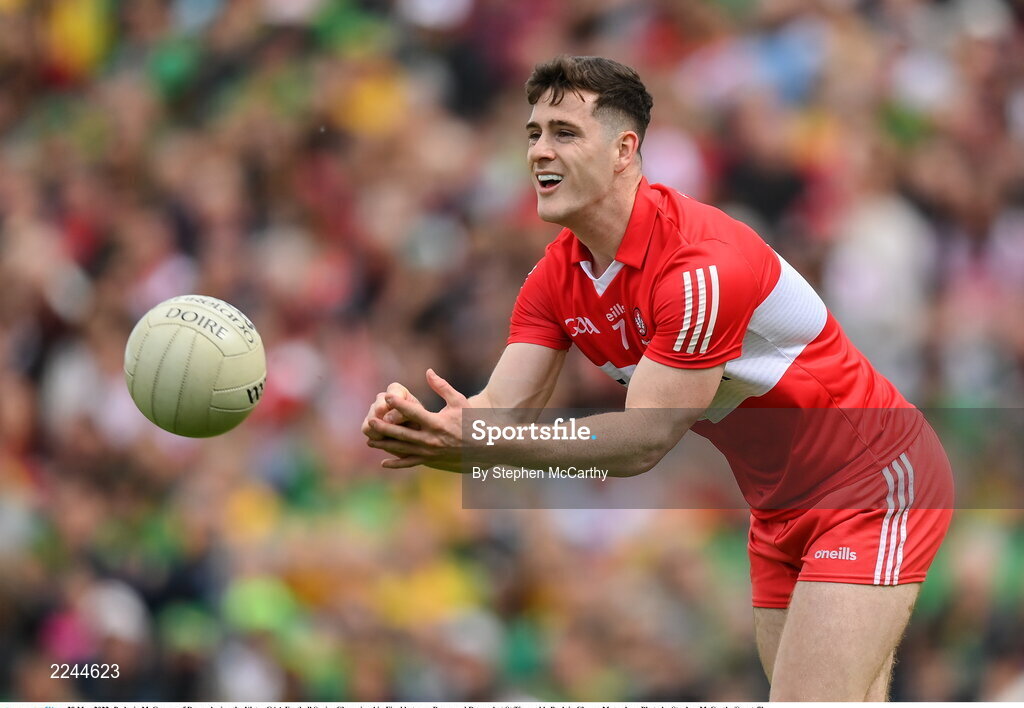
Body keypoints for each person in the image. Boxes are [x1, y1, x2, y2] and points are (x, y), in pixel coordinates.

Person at [362, 55, 953, 701]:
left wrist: (482, 444)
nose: (538, 151)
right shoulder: (554, 280)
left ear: (624, 150)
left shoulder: (701, 267)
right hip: (777, 507)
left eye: (563, 132)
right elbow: (500, 418)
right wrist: (435, 432)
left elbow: (643, 441)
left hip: (871, 480)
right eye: (532, 133)